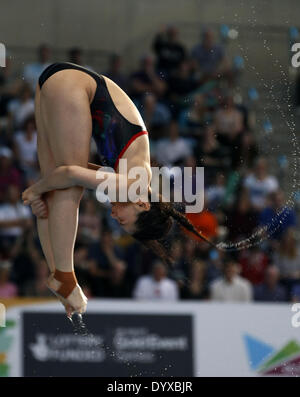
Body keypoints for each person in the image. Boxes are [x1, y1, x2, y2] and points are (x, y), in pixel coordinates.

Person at [22, 62, 211, 316]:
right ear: (143, 204)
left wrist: (41, 190)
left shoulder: (131, 180)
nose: (115, 217)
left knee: (54, 190)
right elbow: (69, 173)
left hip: (61, 82)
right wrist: (35, 190)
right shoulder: (134, 185)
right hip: (73, 85)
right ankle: (66, 278)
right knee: (66, 186)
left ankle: (58, 274)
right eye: (124, 222)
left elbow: (71, 173)